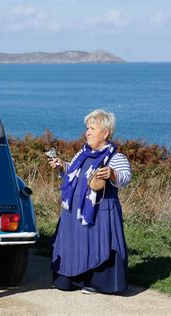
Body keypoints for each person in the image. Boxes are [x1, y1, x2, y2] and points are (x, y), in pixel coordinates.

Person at [49, 109, 131, 294]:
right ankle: (71, 279)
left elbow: (125, 178)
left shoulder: (115, 158)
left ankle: (96, 282)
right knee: (73, 245)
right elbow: (73, 173)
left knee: (97, 245)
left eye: (92, 128)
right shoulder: (82, 154)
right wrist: (62, 166)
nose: (88, 132)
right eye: (87, 128)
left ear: (105, 133)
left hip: (100, 214)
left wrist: (112, 173)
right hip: (74, 213)